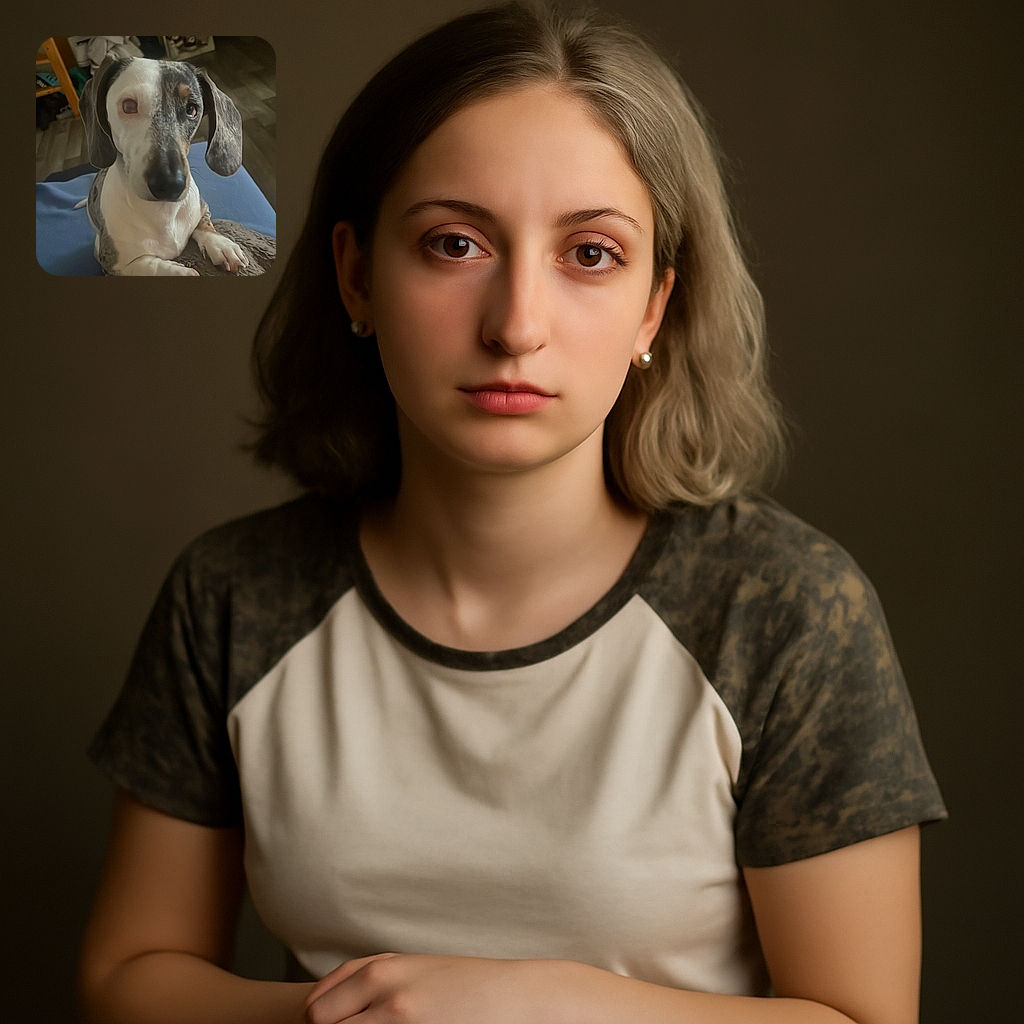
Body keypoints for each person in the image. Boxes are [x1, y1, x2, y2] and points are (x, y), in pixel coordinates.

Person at [77, 3, 946, 1023]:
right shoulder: (232, 597)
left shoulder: (787, 609)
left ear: (653, 309)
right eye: (453, 243)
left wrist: (536, 1005)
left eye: (589, 255)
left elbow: (861, 1017)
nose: (516, 326)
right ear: (357, 275)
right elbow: (128, 976)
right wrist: (361, 1016)